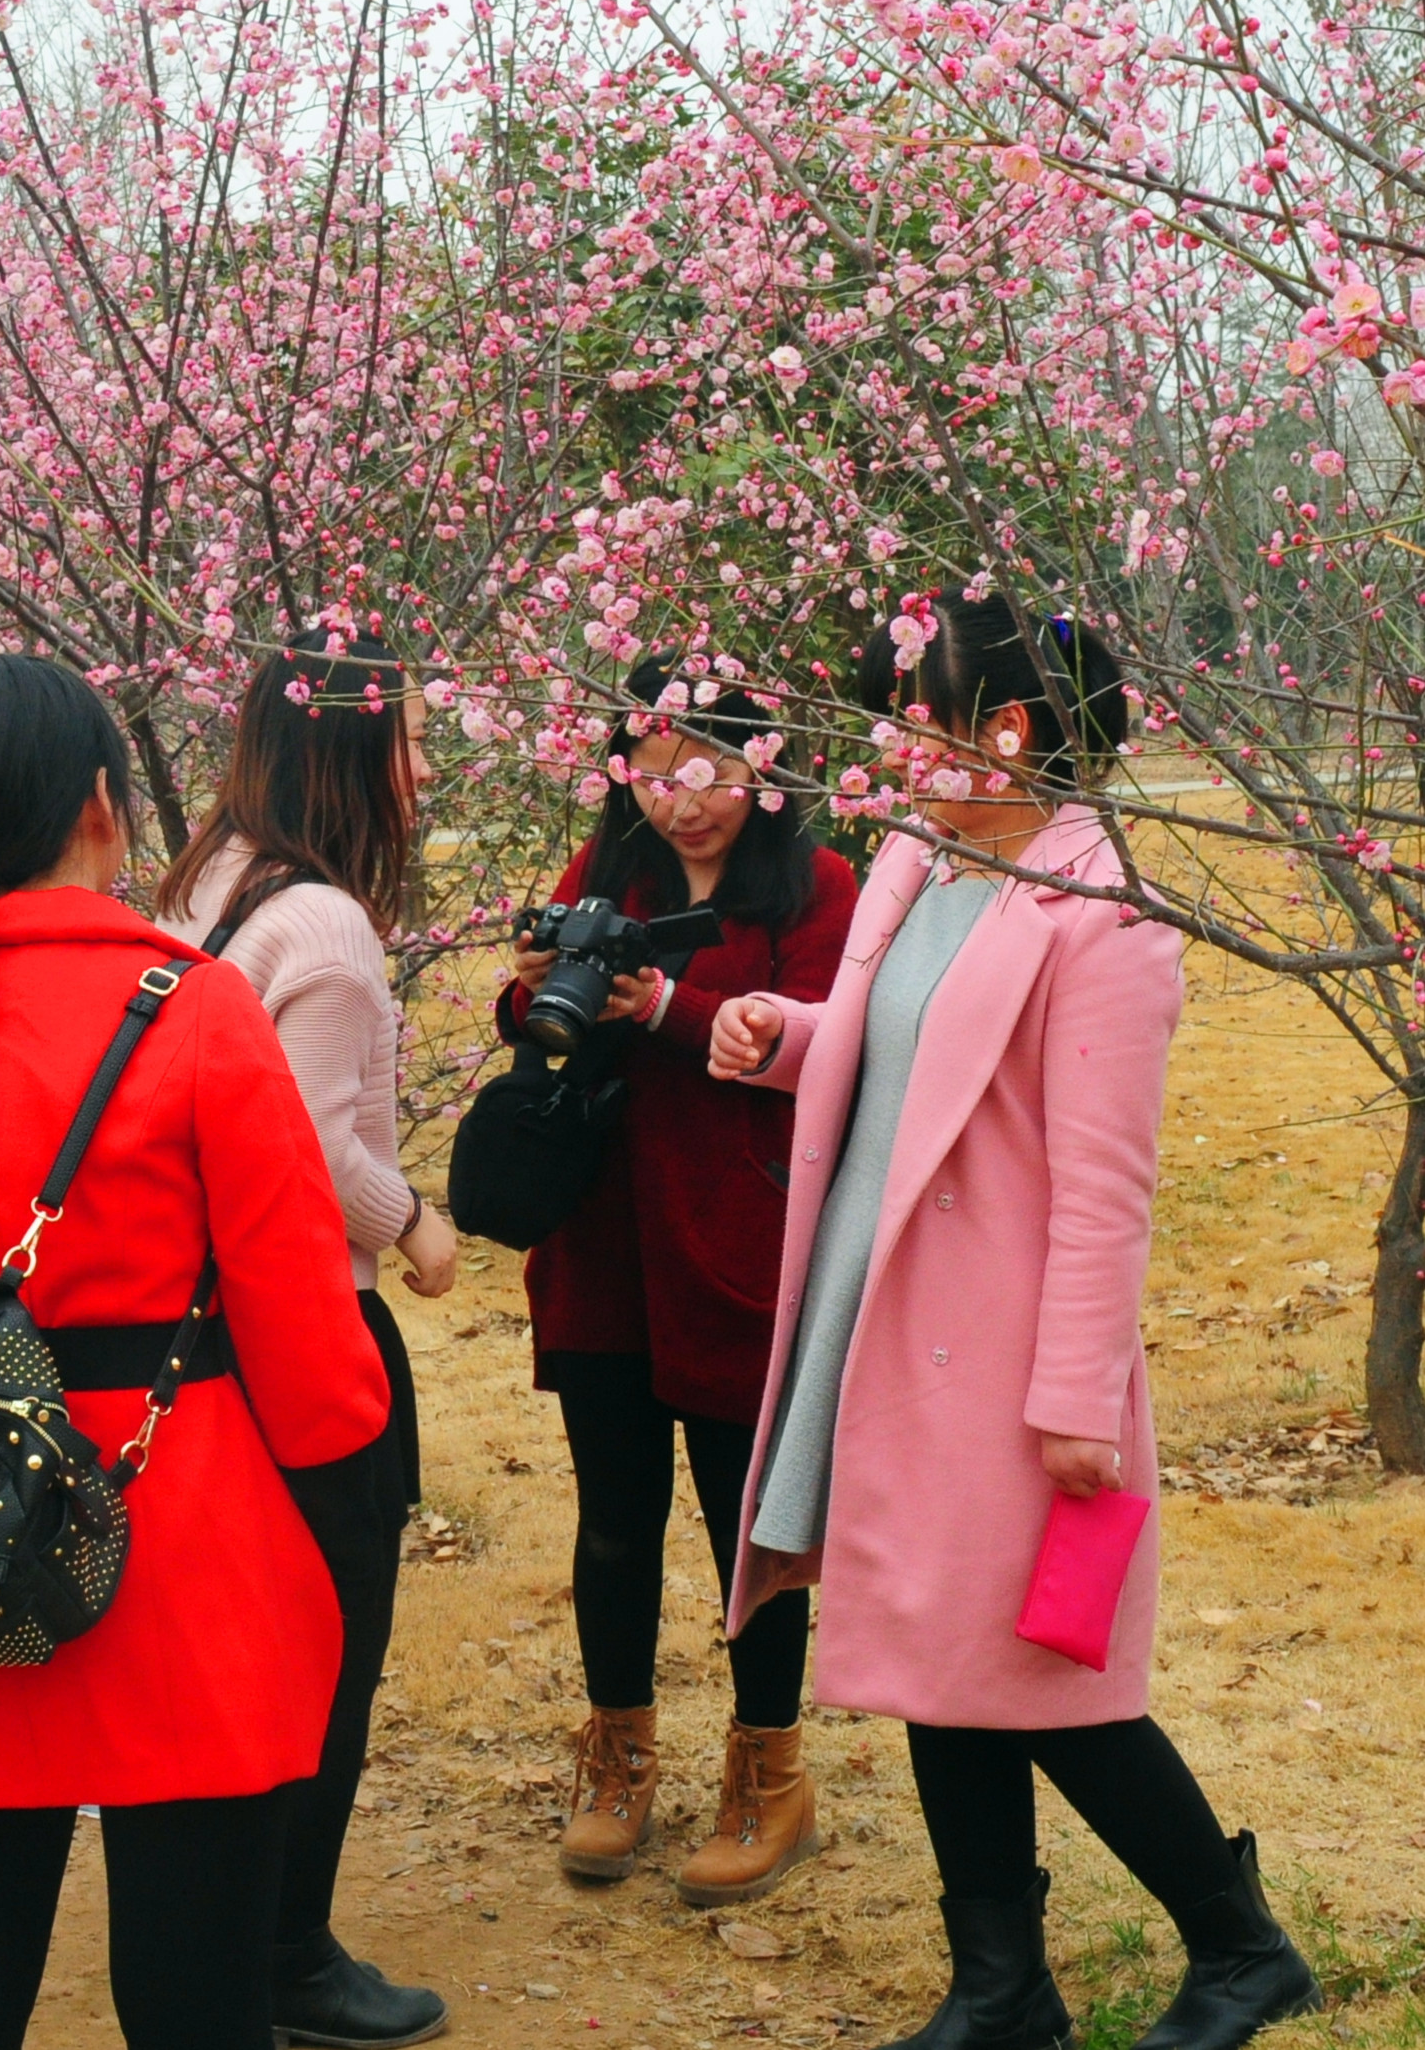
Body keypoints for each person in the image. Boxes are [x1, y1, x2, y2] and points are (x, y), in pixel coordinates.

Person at [709, 597, 1317, 2050]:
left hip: (996, 1357)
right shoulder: (922, 858)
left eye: (912, 711)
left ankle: (1238, 1946)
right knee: (932, 1650)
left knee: (1046, 1675)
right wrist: (782, 1036)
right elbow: (898, 1042)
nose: (887, 739)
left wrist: (1073, 1401)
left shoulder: (1099, 911)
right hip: (880, 1316)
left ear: (1006, 730)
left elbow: (1106, 1189)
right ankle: (999, 1988)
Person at [0, 653, 396, 2050]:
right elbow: (311, 1356)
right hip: (182, 1547)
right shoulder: (190, 1011)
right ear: (99, 804)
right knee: (196, 2003)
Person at [499, 657, 856, 1903]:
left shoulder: (815, 886)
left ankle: (768, 1775)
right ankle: (617, 1755)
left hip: (733, 1240)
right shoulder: (610, 874)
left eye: (704, 771)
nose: (680, 800)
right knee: (611, 1519)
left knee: (740, 1528)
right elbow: (534, 996)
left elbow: (823, 1046)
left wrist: (665, 1005)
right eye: (651, 775)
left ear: (759, 764)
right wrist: (538, 990)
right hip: (601, 1244)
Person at [152, 629, 459, 2050]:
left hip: (191, 1329)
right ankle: (287, 1949)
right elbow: (312, 1140)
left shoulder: (205, 882)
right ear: (347, 754)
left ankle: (232, 1934)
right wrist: (414, 1221)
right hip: (308, 1327)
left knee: (240, 1649)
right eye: (399, 740)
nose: (418, 769)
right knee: (330, 1646)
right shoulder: (324, 926)